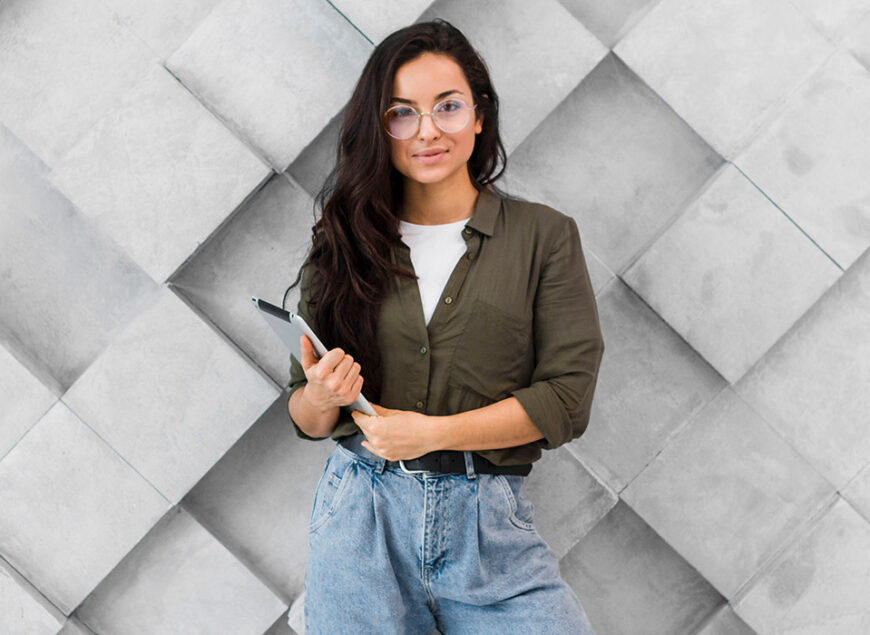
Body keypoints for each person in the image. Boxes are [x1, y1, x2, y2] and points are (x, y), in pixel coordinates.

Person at [284, 19, 604, 635]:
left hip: (490, 534)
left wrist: (431, 433)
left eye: (448, 106)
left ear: (479, 115)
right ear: (379, 129)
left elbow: (567, 399)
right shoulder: (344, 240)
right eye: (402, 113)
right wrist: (321, 395)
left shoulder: (544, 236)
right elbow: (306, 418)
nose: (428, 130)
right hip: (359, 526)